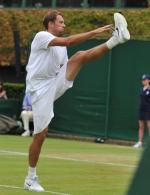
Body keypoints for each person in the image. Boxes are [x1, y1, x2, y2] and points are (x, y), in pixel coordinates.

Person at [24, 10, 130, 192]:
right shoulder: (42, 36)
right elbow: (68, 41)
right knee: (40, 135)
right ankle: (30, 178)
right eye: (60, 22)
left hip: (53, 83)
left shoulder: (61, 49)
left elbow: (65, 62)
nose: (64, 25)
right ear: (50, 24)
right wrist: (94, 32)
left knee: (80, 56)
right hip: (39, 90)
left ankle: (116, 39)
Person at [133, 74, 150, 148]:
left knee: (149, 126)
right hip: (141, 110)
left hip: (149, 110)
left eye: (145, 80)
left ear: (149, 80)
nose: (143, 81)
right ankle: (140, 142)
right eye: (143, 80)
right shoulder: (141, 89)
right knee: (141, 126)